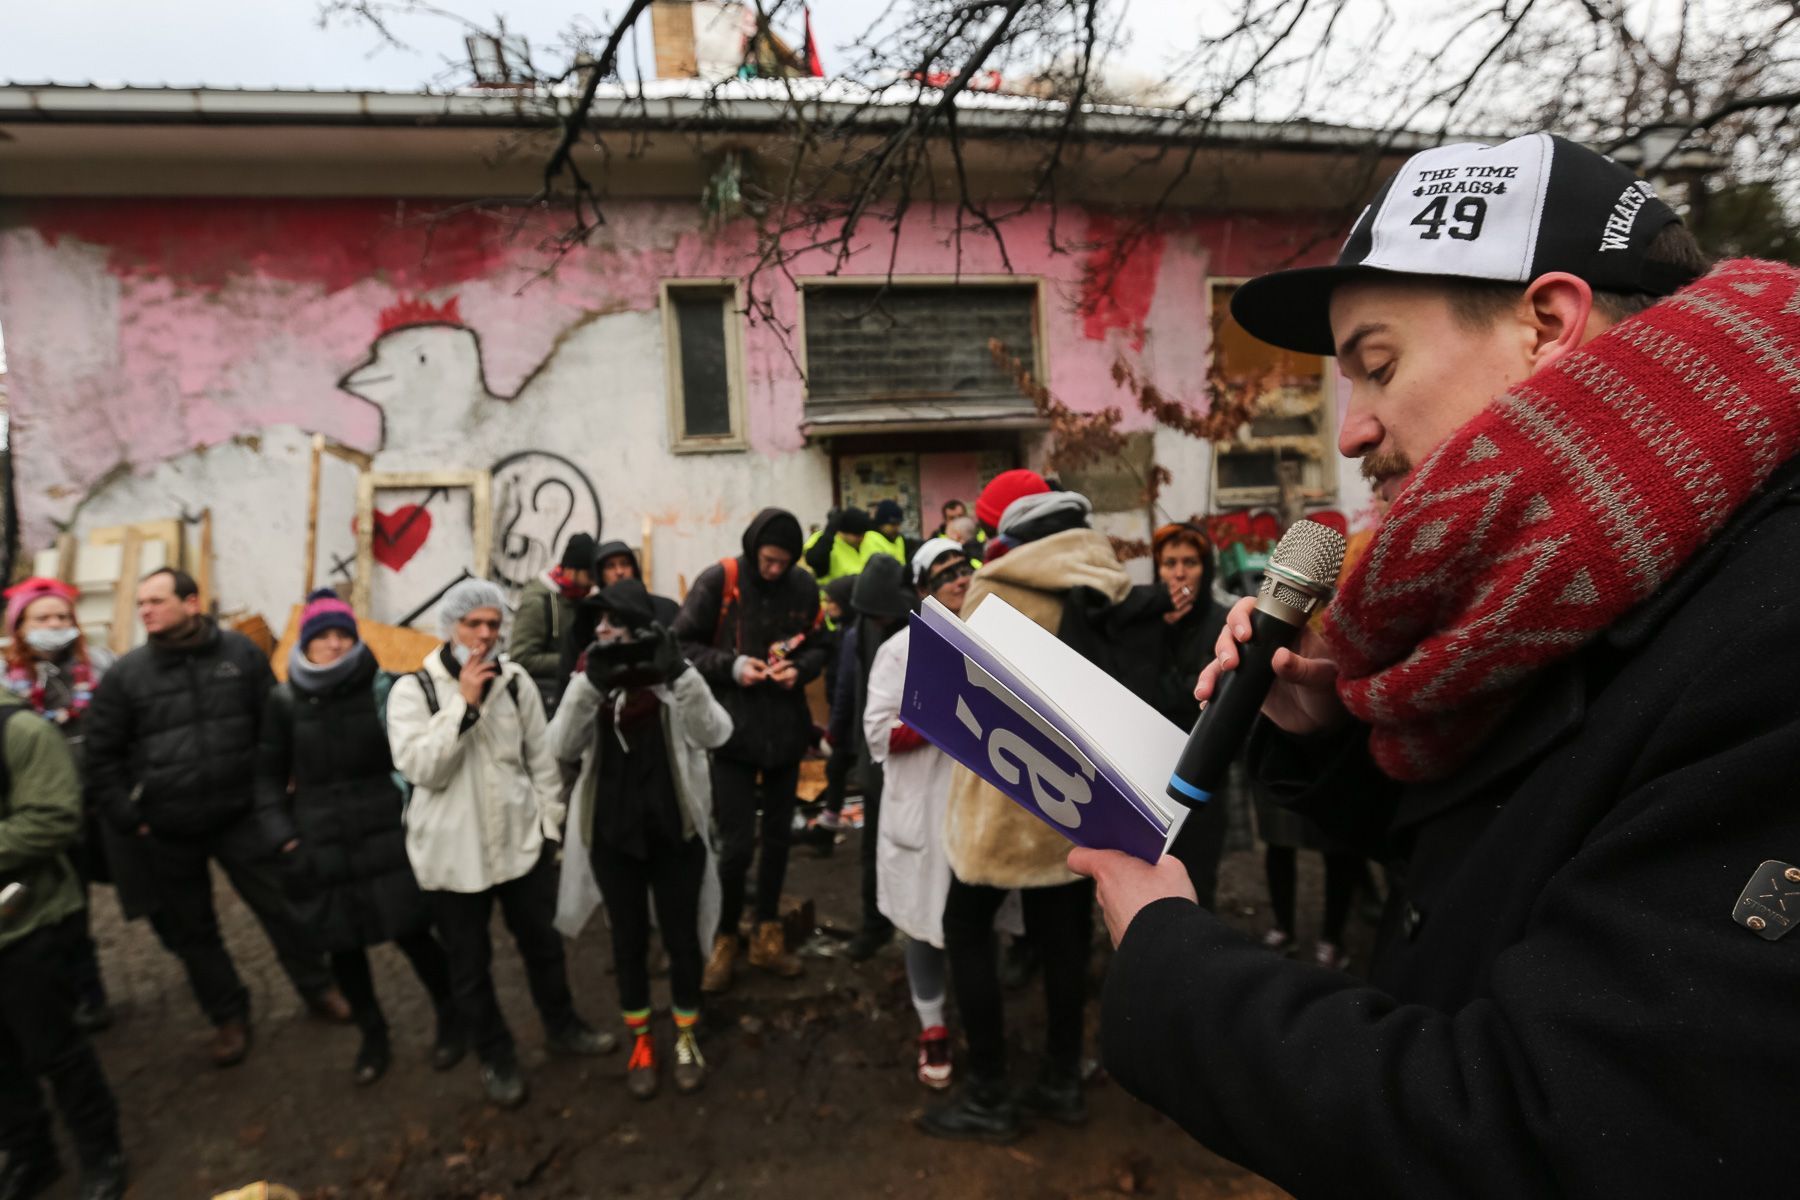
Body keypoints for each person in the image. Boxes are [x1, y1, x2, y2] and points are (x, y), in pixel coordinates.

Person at [1071, 133, 1800, 1193]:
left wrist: (1174, 967)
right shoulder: (1602, 586)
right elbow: (1528, 850)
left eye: (1378, 364)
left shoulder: (1773, 633)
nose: (1355, 432)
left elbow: (1555, 1137)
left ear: (1546, 324)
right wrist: (1331, 735)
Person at [919, 471, 1131, 1143]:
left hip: (1005, 809)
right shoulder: (1109, 586)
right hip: (1084, 803)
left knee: (965, 930)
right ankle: (1062, 1078)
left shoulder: (998, 594)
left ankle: (988, 1090)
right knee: (1065, 942)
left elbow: (966, 703)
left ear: (1009, 532)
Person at [84, 568, 347, 1069]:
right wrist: (130, 815)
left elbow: (273, 722)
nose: (145, 611)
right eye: (140, 603)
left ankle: (320, 989)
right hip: (167, 829)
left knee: (284, 908)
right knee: (193, 931)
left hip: (241, 816)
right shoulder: (127, 675)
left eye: (156, 601)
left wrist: (275, 790)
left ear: (191, 602)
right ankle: (228, 1016)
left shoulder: (239, 654)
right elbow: (102, 756)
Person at [385, 578, 614, 1109]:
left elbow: (542, 760)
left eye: (493, 624)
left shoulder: (515, 683)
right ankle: (496, 1055)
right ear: (450, 628)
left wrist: (548, 826)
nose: (485, 635)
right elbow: (421, 767)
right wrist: (462, 707)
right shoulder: (412, 691)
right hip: (452, 858)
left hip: (520, 847)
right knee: (469, 966)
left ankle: (563, 1026)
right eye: (474, 624)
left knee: (543, 946)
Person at [254, 590, 463, 1087]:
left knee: (414, 933)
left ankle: (452, 1018)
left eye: (341, 633)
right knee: (343, 948)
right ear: (306, 641)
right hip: (320, 842)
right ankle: (373, 1036)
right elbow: (265, 777)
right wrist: (284, 838)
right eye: (321, 635)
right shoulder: (284, 701)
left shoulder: (382, 688)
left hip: (387, 832)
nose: (332, 643)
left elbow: (411, 754)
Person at [548, 579, 733, 1100]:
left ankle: (686, 1036)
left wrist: (678, 674)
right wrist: (589, 685)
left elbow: (717, 733)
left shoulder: (674, 675)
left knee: (681, 941)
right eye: (599, 624)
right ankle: (641, 1042)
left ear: (642, 629)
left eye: (616, 623)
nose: (606, 632)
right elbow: (557, 746)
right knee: (627, 944)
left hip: (677, 832)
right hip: (613, 838)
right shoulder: (591, 679)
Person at [673, 508, 826, 992]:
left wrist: (798, 670)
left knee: (779, 841)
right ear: (753, 548)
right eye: (767, 560)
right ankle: (723, 937)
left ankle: (767, 934)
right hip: (731, 733)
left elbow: (821, 646)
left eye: (783, 562)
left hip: (784, 733)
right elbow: (678, 645)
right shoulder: (721, 580)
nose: (774, 570)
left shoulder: (804, 588)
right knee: (736, 846)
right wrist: (732, 666)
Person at [0, 687, 128, 1200]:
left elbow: (53, 818)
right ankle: (32, 1155)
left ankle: (102, 1153)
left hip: (24, 925)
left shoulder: (20, 730)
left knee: (57, 1049)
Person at [1068, 522, 1233, 911]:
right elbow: (1134, 689)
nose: (1179, 573)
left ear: (1205, 568)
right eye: (1169, 563)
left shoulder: (1222, 622)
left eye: (1190, 563)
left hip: (1202, 775)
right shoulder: (1145, 621)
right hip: (1149, 771)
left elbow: (1210, 696)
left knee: (1198, 879)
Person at [863, 538, 974, 1089]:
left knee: (973, 921)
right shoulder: (899, 652)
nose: (959, 578)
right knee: (923, 924)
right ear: (923, 589)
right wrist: (939, 715)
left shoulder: (993, 641)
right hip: (921, 808)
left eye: (964, 567)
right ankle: (932, 1026)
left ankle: (981, 1019)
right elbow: (877, 732)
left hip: (976, 811)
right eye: (944, 573)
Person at [3, 577, 115, 1032]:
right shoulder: (8, 687)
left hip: (101, 806)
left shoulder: (102, 666)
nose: (55, 625)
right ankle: (85, 995)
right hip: (46, 814)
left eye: (62, 617)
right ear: (21, 628)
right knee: (69, 914)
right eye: (43, 618)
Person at [834, 554, 916, 961]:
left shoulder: (920, 620)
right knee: (873, 847)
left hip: (922, 762)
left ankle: (924, 925)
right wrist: (841, 738)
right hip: (876, 753)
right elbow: (853, 684)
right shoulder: (865, 626)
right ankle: (875, 925)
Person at [511, 533, 597, 717]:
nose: (592, 582)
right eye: (589, 575)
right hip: (544, 704)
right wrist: (575, 660)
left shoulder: (579, 599)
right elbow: (522, 657)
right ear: (571, 570)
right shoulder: (538, 602)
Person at [592, 540, 681, 626]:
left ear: (634, 569)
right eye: (610, 566)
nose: (619, 572)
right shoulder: (593, 615)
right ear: (601, 574)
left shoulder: (667, 608)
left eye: (625, 564)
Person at [801, 506, 873, 594]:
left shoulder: (869, 540)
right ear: (843, 532)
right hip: (832, 602)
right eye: (858, 536)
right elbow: (814, 559)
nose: (862, 539)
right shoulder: (822, 539)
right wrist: (829, 532)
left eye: (864, 534)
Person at [863, 500, 908, 564]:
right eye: (893, 524)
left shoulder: (898, 539)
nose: (897, 528)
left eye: (899, 524)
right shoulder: (870, 539)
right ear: (881, 523)